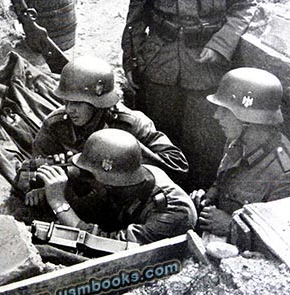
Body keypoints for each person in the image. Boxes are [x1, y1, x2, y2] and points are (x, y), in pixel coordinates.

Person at [121, 0, 256, 190]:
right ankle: (155, 195)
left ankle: (198, 197)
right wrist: (132, 58)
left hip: (207, 68)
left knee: (204, 144)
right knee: (157, 137)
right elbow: (136, 15)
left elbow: (244, 7)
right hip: (160, 62)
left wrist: (220, 45)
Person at [17, 55, 189, 201]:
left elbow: (176, 166)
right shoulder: (56, 125)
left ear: (98, 103)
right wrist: (45, 186)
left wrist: (125, 148)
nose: (70, 109)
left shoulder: (131, 123)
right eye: (66, 101)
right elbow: (37, 170)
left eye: (78, 103)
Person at [37, 128, 197, 244]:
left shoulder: (172, 212)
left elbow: (105, 244)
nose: (89, 180)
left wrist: (59, 204)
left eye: (92, 176)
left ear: (110, 183)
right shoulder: (128, 176)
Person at [191, 67, 290, 237]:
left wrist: (231, 227)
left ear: (249, 121)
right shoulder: (236, 141)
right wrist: (210, 197)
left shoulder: (283, 173)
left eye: (226, 111)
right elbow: (223, 181)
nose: (216, 116)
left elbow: (279, 237)